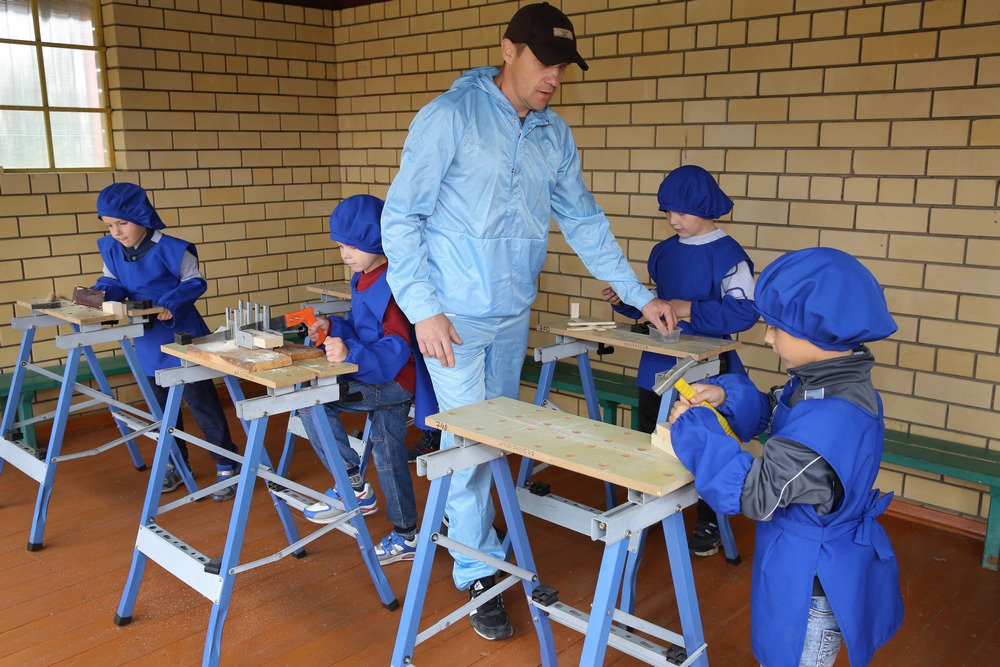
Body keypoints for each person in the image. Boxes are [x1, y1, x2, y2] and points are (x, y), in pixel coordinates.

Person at [381, 2, 678, 641]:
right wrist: (423, 310)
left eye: (563, 68)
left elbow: (584, 219)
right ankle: (476, 572)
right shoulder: (449, 118)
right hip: (452, 319)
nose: (554, 78)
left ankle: (478, 540)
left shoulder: (552, 133)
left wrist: (636, 293)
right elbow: (401, 219)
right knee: (468, 447)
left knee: (496, 437)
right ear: (509, 50)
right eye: (545, 62)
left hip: (512, 311)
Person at [668, 247, 903, 667]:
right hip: (797, 557)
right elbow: (781, 416)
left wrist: (697, 430)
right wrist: (728, 395)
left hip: (812, 583)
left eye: (777, 327)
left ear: (822, 333)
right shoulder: (826, 383)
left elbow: (752, 492)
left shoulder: (833, 421)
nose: (767, 337)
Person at [601, 164, 758, 557]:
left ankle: (707, 517)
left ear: (705, 208)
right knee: (651, 437)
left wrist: (689, 308)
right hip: (658, 361)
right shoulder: (664, 252)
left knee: (704, 440)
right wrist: (629, 303)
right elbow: (658, 305)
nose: (673, 221)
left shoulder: (729, 255)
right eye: (667, 212)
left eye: (682, 213)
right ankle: (649, 506)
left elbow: (745, 312)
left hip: (707, 368)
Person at [298, 194, 429, 566]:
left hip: (392, 381)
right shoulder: (363, 278)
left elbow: (397, 346)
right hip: (374, 375)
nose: (344, 253)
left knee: (313, 403)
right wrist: (333, 326)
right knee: (389, 459)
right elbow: (361, 326)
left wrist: (351, 354)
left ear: (376, 239)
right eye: (339, 246)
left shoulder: (393, 284)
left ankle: (353, 486)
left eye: (351, 246)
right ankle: (407, 534)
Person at [92, 182, 240, 502]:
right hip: (145, 339)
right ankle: (175, 462)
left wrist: (170, 302)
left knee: (201, 403)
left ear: (141, 216)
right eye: (109, 225)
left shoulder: (174, 248)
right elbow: (112, 281)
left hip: (181, 335)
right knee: (160, 408)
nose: (116, 232)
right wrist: (101, 296)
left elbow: (195, 282)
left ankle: (227, 462)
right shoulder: (111, 248)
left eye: (122, 223)